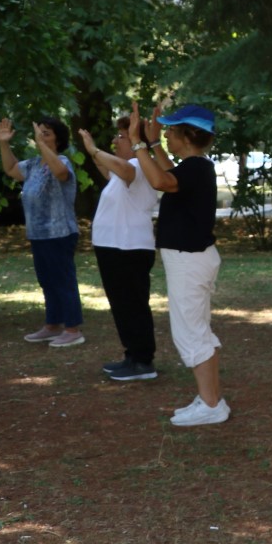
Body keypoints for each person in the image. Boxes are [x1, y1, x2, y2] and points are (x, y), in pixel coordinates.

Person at [131, 101, 229, 427]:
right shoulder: (195, 166)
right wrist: (154, 143)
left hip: (189, 260)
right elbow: (168, 173)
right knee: (197, 330)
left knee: (191, 334)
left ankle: (212, 405)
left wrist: (138, 143)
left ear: (187, 135)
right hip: (191, 258)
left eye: (171, 131)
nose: (168, 136)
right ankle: (210, 399)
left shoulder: (196, 168)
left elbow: (160, 180)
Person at [79, 117, 160, 380]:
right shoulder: (122, 171)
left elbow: (123, 169)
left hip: (129, 248)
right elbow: (107, 167)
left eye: (120, 137)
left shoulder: (138, 164)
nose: (114, 141)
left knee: (133, 304)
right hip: (114, 247)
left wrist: (93, 149)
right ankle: (132, 355)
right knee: (122, 305)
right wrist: (93, 152)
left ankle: (143, 361)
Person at [0, 115, 85, 348]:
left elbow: (59, 173)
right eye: (40, 132)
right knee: (47, 281)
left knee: (63, 280)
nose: (41, 136)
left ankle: (73, 329)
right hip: (38, 233)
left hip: (60, 232)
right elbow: (10, 168)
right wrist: (4, 143)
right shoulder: (34, 164)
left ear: (58, 138)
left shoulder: (63, 161)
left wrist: (42, 145)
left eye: (47, 133)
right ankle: (53, 325)